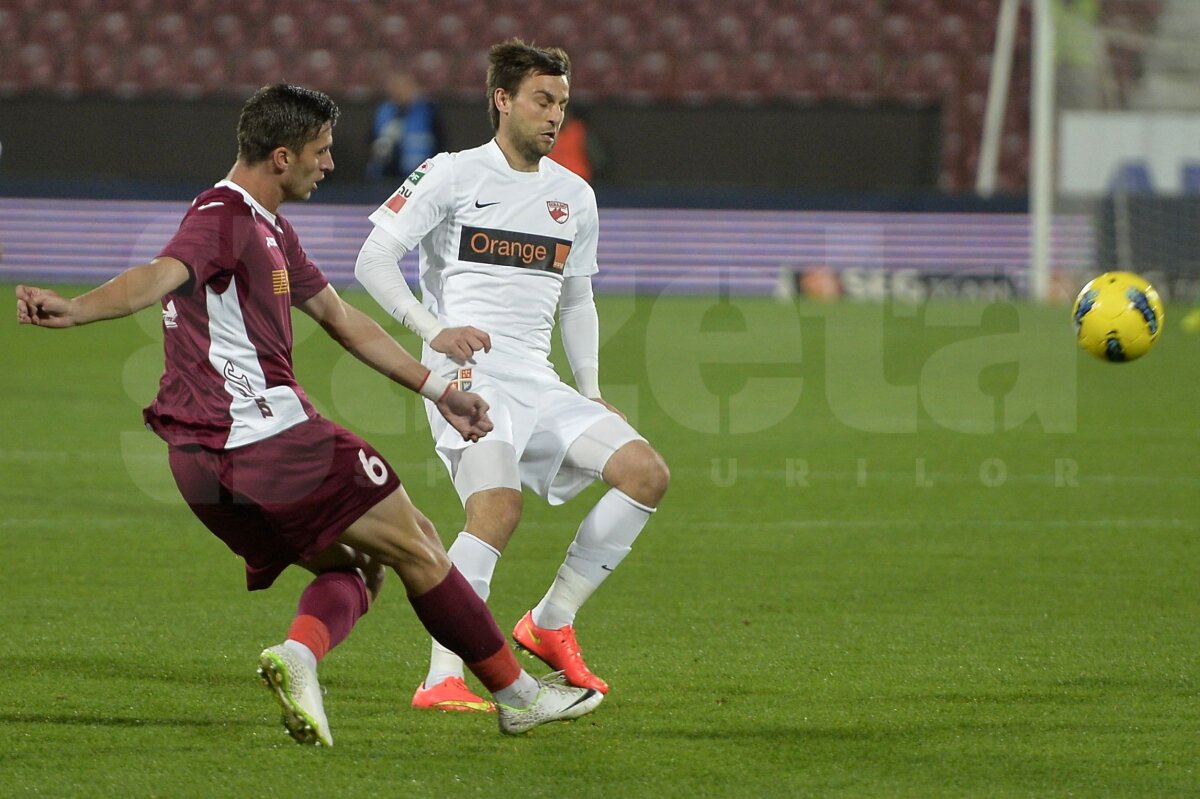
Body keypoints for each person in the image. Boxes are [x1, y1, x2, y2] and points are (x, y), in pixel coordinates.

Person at [14, 83, 603, 745]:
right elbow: (158, 276)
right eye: (321, 152)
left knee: (354, 565)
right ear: (282, 157)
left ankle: (299, 655)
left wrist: (439, 388)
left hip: (200, 461)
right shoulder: (223, 215)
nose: (330, 163)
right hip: (265, 436)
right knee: (418, 542)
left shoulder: (270, 231)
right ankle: (517, 693)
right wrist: (76, 308)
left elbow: (345, 320)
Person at [354, 40, 670, 713]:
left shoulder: (574, 196)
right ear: (503, 100)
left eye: (562, 102)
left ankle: (550, 621)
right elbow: (373, 258)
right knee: (497, 508)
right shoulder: (450, 173)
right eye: (542, 100)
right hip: (467, 372)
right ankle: (442, 676)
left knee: (646, 473)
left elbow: (578, 296)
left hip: (538, 377)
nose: (555, 115)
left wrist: (588, 388)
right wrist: (430, 327)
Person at [366, 70, 444, 182]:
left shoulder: (429, 112)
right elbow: (370, 142)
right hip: (387, 177)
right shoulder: (382, 113)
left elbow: (440, 143)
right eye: (396, 87)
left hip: (422, 177)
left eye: (404, 86)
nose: (400, 91)